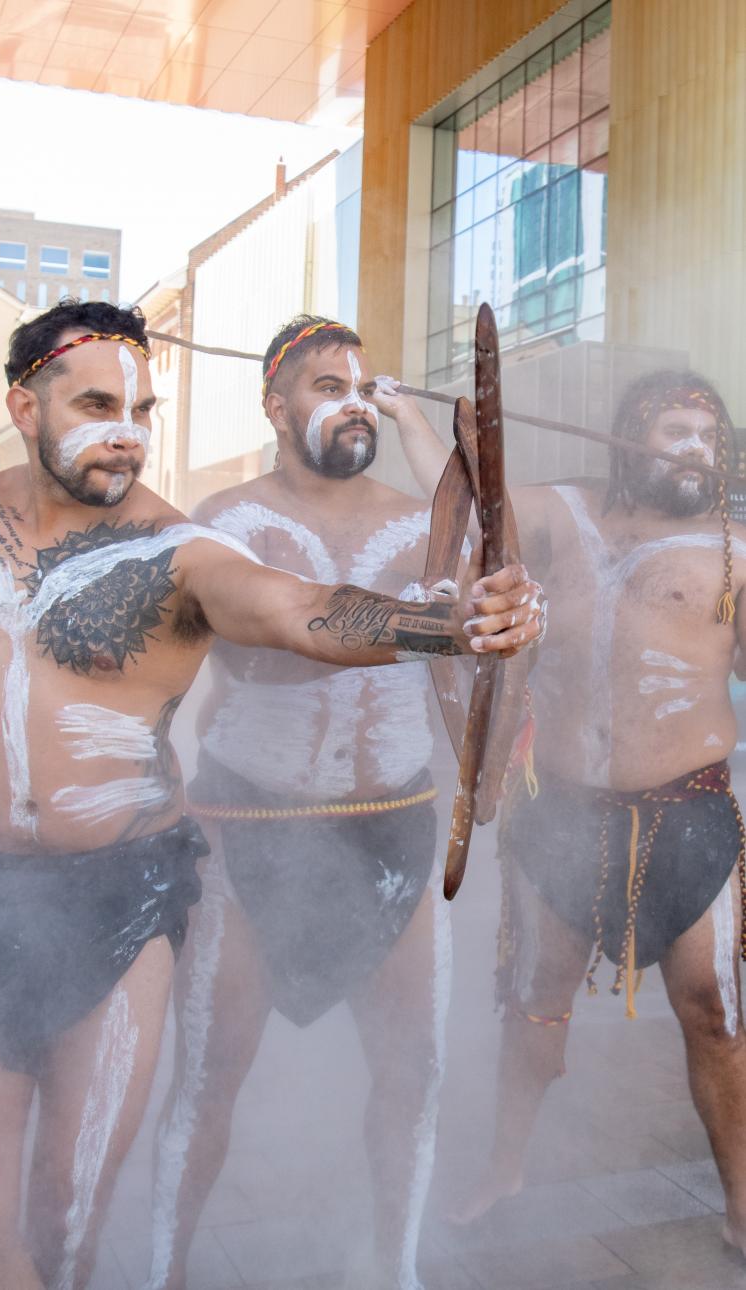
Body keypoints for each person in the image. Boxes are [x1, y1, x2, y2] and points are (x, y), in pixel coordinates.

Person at [0, 298, 541, 1290]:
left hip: (121, 899)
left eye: (142, 409)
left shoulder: (177, 552)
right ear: (23, 402)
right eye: (97, 402)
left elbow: (305, 612)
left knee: (66, 1214)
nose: (125, 433)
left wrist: (450, 626)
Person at [143, 315, 531, 1290]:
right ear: (275, 407)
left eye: (365, 387)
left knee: (416, 1075)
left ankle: (393, 1272)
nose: (352, 401)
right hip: (249, 834)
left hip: (387, 832)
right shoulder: (223, 522)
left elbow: (482, 604)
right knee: (204, 1077)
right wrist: (447, 624)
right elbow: (283, 626)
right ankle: (161, 1272)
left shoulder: (419, 522)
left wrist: (507, 618)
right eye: (328, 385)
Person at [399, 368, 746, 1257]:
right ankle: (507, 1164)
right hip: (561, 814)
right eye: (674, 433)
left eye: (707, 441)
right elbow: (473, 507)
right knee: (535, 999)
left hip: (691, 812)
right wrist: (409, 413)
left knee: (713, 1013)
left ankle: (745, 1205)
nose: (694, 454)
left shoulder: (735, 550)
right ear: (627, 437)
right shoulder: (563, 513)